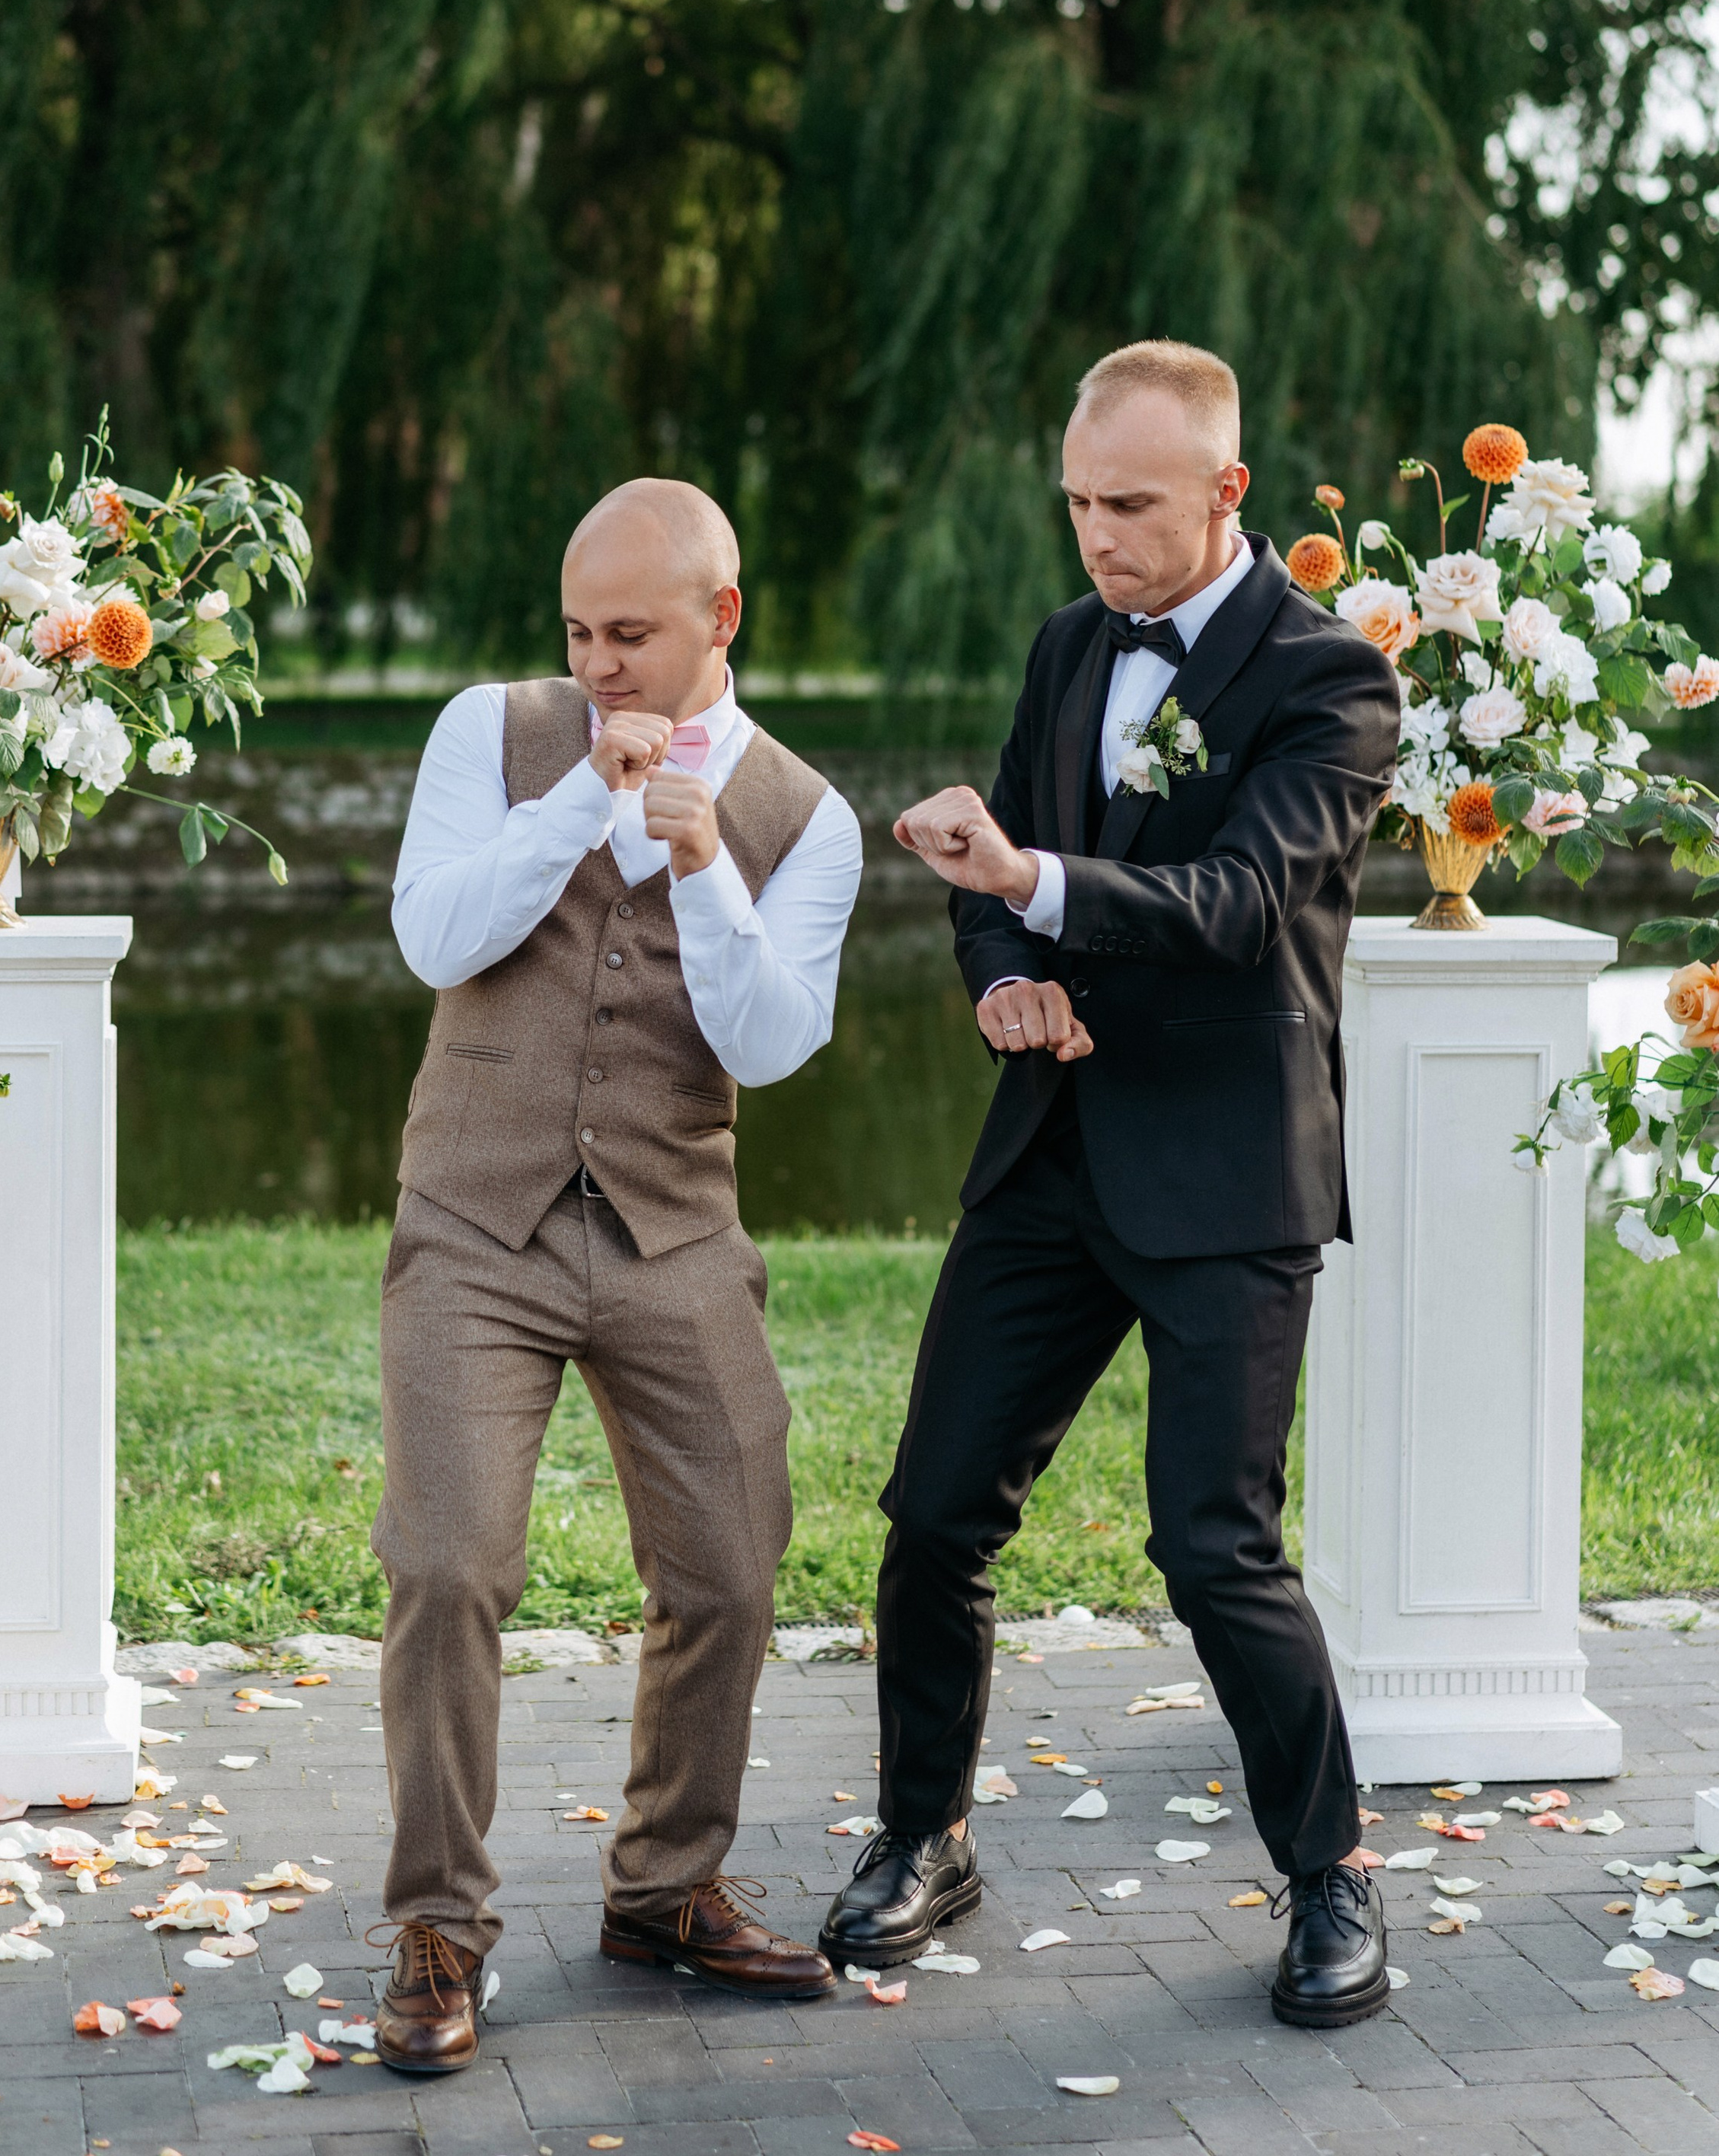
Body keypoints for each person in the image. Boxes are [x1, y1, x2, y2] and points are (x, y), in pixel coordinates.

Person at [818, 340, 1402, 2031]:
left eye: (1128, 506)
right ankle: (923, 1836)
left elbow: (1241, 902)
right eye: (1075, 502)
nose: (1094, 538)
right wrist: (998, 964)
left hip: (1226, 1171)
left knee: (1211, 1545)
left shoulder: (1332, 680)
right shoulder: (1068, 647)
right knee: (932, 1515)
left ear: (1228, 494)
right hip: (1049, 1151)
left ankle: (1329, 1875)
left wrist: (1035, 883)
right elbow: (996, 871)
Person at [372, 477, 863, 2073]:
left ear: (720, 621)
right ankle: (437, 1929)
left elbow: (774, 1046)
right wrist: (581, 799)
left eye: (631, 635)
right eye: (579, 630)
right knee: (448, 1566)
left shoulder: (808, 814)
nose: (598, 663)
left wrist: (708, 862)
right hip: (474, 1222)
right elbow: (434, 940)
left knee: (727, 1563)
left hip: (672, 1229)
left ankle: (664, 1888)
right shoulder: (490, 733)